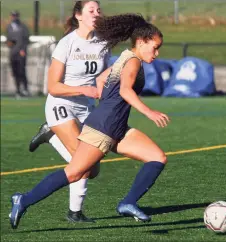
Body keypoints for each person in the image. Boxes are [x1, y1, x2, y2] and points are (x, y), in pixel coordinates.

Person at [9, 13, 170, 230]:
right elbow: (125, 90)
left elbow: (101, 79)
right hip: (103, 128)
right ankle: (23, 199)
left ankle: (128, 202)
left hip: (116, 126)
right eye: (155, 47)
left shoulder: (126, 56)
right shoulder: (133, 62)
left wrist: (108, 104)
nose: (157, 53)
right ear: (141, 42)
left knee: (156, 157)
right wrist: (148, 112)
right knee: (75, 173)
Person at [27, 1, 111, 223]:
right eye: (91, 11)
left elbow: (103, 75)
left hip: (86, 108)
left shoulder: (103, 43)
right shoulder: (67, 44)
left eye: (98, 10)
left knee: (92, 170)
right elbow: (53, 86)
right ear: (78, 16)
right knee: (82, 162)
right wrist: (84, 89)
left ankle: (50, 134)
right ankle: (75, 212)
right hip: (60, 104)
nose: (96, 14)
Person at [6, 10, 30, 99]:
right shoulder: (9, 27)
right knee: (15, 72)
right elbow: (8, 39)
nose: (14, 17)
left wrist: (23, 50)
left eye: (15, 16)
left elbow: (26, 40)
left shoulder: (23, 27)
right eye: (12, 16)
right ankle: (18, 90)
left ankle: (25, 89)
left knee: (21, 71)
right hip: (13, 53)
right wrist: (9, 43)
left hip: (21, 53)